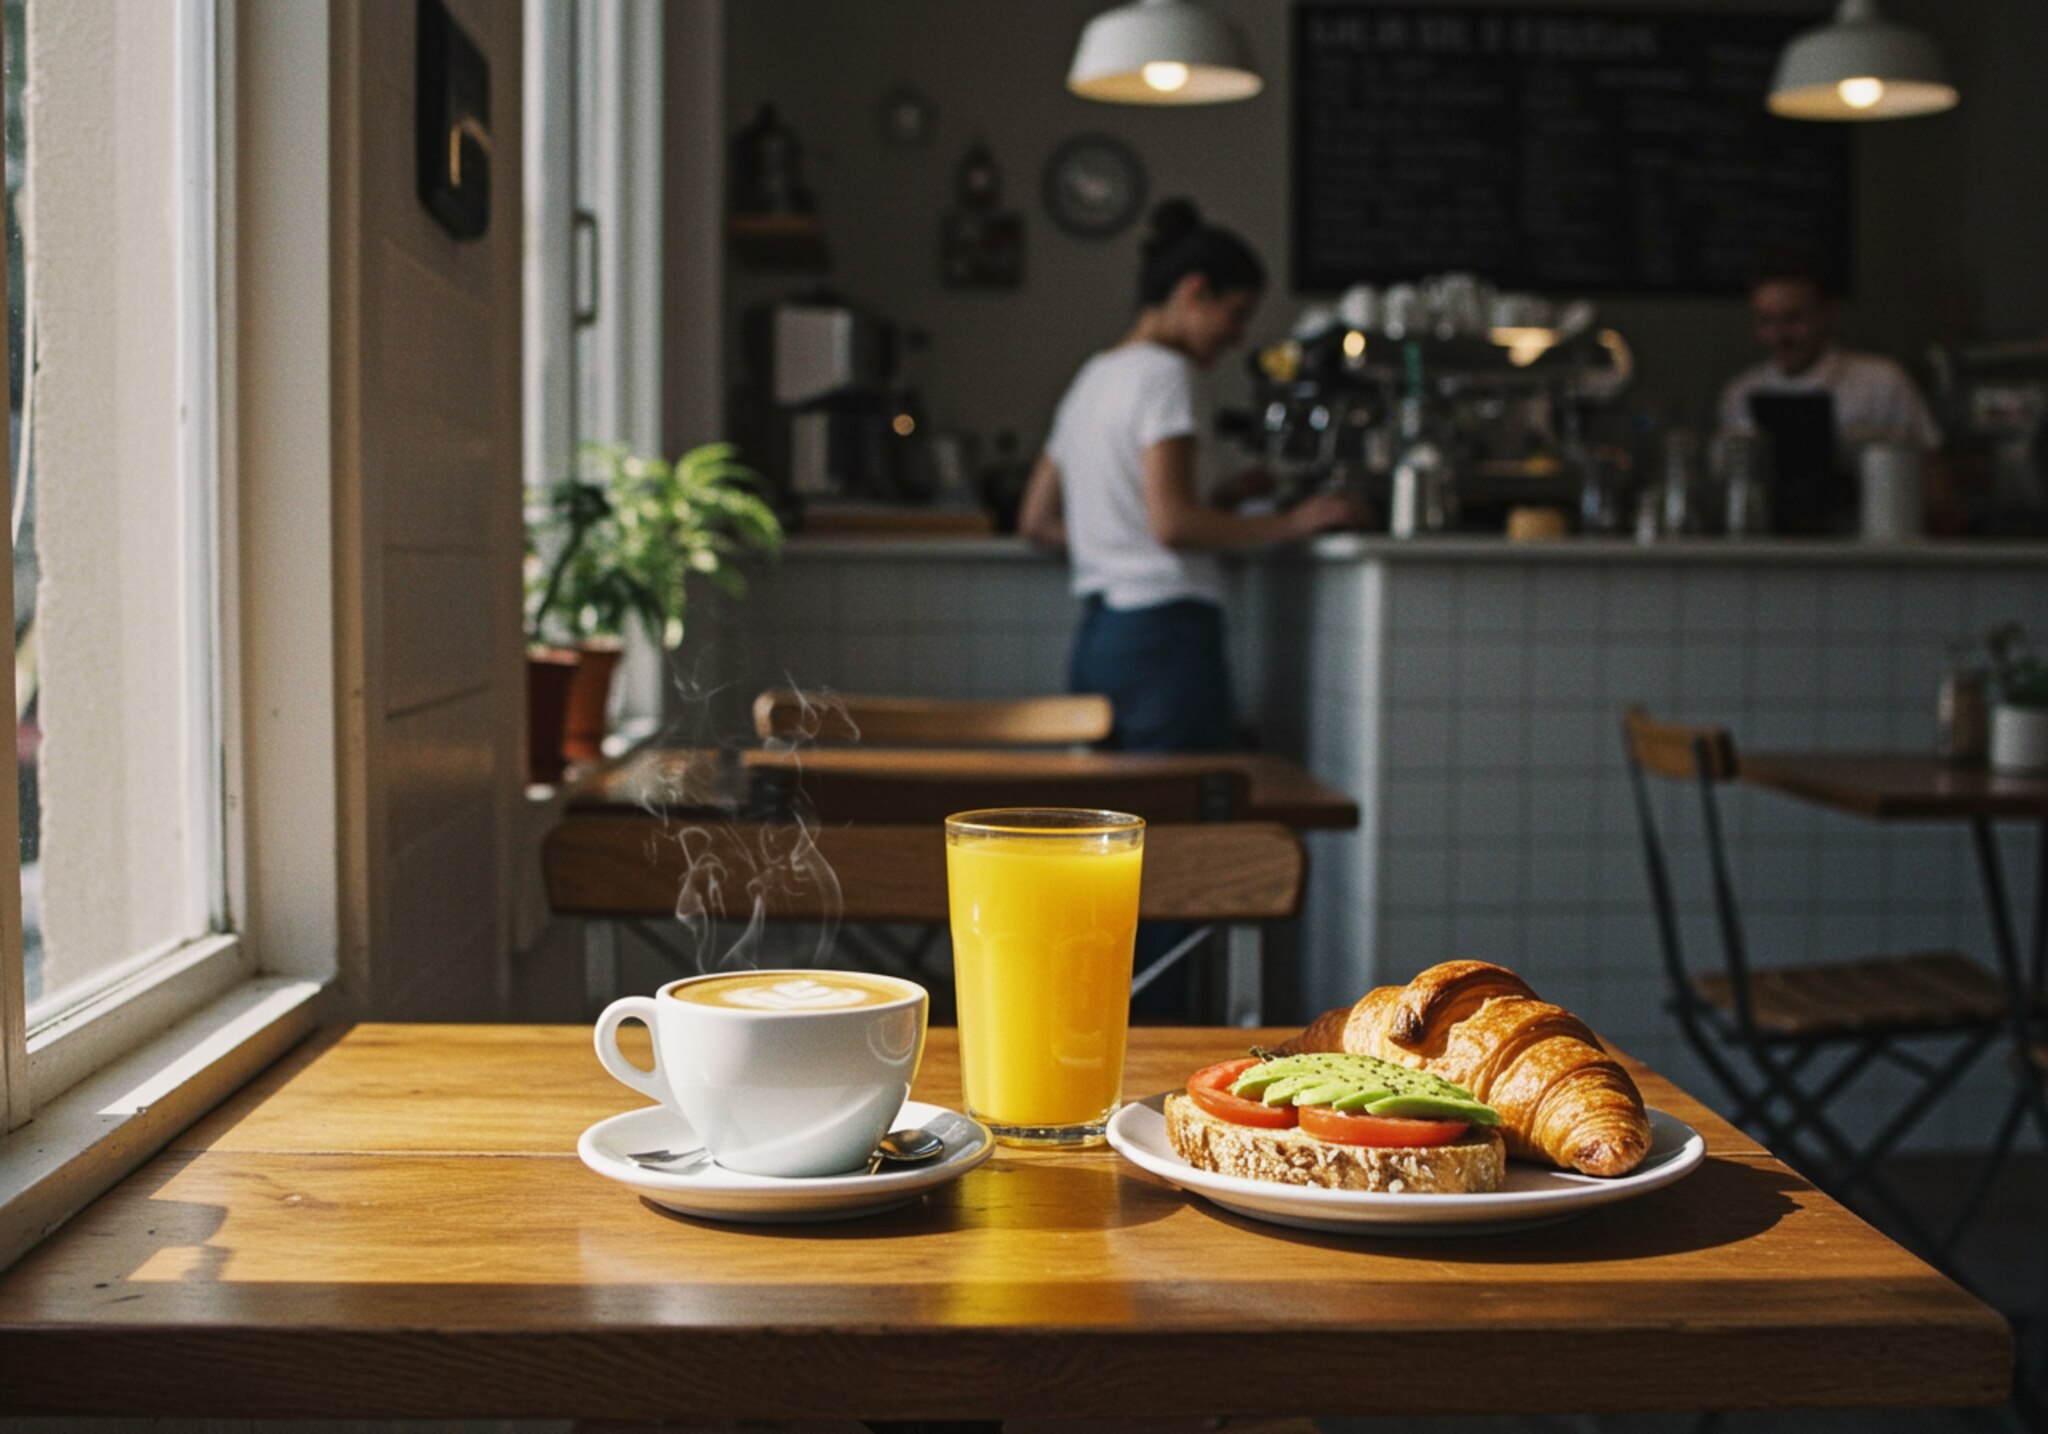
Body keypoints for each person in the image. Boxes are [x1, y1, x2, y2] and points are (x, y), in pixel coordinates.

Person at [1018, 199, 1365, 752]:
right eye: (1237, 313)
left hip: (1101, 639)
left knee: (1113, 802)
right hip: (1166, 636)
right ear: (1194, 291)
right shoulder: (1166, 375)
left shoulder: (1093, 377)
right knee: (1187, 802)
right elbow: (1173, 526)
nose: (1238, 335)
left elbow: (1035, 521)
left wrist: (1216, 501)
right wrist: (1296, 522)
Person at [1718, 257, 1941, 452]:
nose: (1778, 336)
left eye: (1792, 319)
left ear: (1826, 314)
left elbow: (1933, 468)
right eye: (1766, 321)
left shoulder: (1882, 381)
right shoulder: (1741, 393)